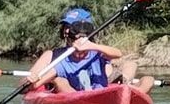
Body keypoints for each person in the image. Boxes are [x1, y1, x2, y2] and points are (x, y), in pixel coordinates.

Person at [26, 8, 155, 94]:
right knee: (59, 80)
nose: (66, 31)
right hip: (74, 94)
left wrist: (90, 46)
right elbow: (30, 85)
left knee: (146, 77)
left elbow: (118, 53)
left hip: (100, 90)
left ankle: (126, 91)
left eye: (71, 27)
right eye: (66, 28)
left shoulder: (97, 52)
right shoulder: (58, 60)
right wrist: (30, 82)